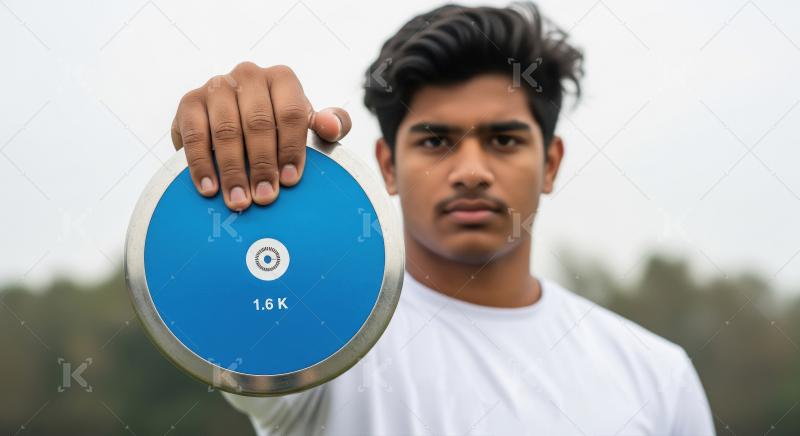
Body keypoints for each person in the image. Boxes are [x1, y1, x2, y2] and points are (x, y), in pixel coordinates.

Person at [170, 2, 716, 435]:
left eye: (504, 139)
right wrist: (234, 157)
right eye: (436, 140)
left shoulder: (656, 376)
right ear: (386, 165)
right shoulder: (326, 339)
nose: (471, 171)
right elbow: (223, 305)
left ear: (550, 164)